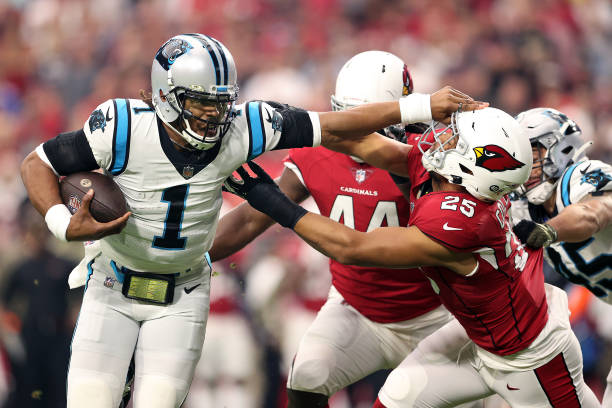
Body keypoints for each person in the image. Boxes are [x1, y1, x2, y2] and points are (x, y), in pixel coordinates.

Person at [19, 32, 480, 408]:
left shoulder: (246, 127)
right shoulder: (121, 125)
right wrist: (62, 222)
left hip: (186, 292)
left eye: (221, 104)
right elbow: (37, 162)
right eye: (201, 104)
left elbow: (333, 130)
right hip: (112, 282)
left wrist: (420, 109)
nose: (215, 117)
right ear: (164, 96)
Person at [222, 106, 601, 407]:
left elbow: (350, 247)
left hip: (530, 357)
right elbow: (363, 145)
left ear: (472, 163)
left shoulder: (463, 222)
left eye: (457, 138)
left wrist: (269, 198)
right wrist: (280, 120)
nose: (442, 136)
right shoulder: (454, 175)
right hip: (476, 335)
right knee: (395, 398)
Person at [209, 50, 454, 408]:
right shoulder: (315, 151)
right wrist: (183, 257)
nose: (352, 127)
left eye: (367, 117)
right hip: (355, 308)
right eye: (346, 115)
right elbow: (249, 218)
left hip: (434, 311)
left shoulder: (431, 157)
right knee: (306, 378)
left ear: (399, 115)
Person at [510, 107, 612, 406]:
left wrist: (549, 230)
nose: (524, 167)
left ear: (560, 147)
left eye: (532, 154)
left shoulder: (579, 177)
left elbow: (594, 212)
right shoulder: (526, 210)